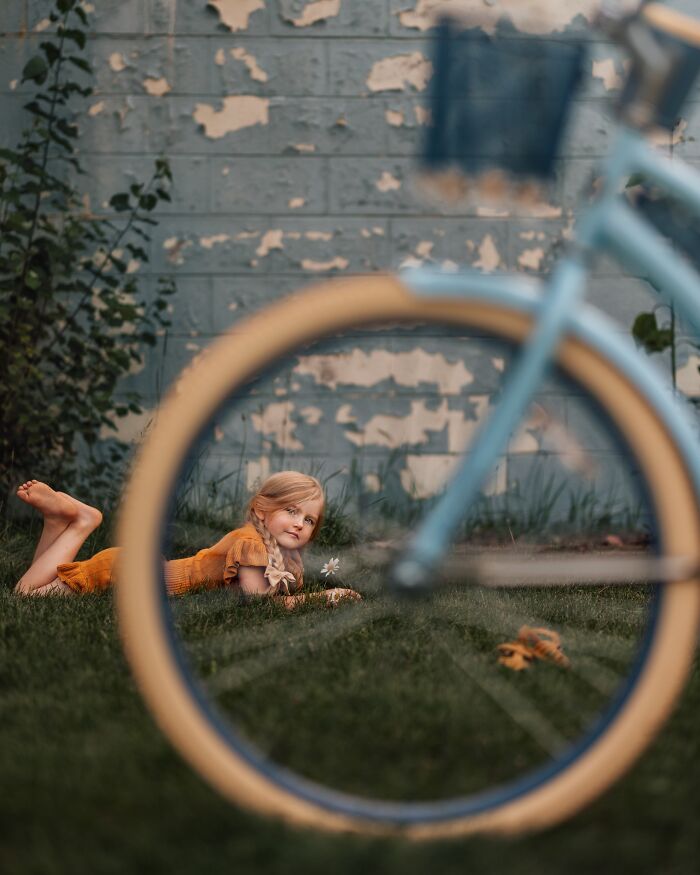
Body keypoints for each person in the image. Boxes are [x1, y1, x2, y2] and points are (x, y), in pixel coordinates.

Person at [14, 472, 361, 607]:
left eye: (309, 519)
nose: (300, 523)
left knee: (40, 584)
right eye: (290, 510)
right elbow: (259, 604)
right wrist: (323, 598)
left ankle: (56, 521)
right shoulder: (252, 542)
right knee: (25, 596)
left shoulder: (282, 558)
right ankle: (81, 523)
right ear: (261, 509)